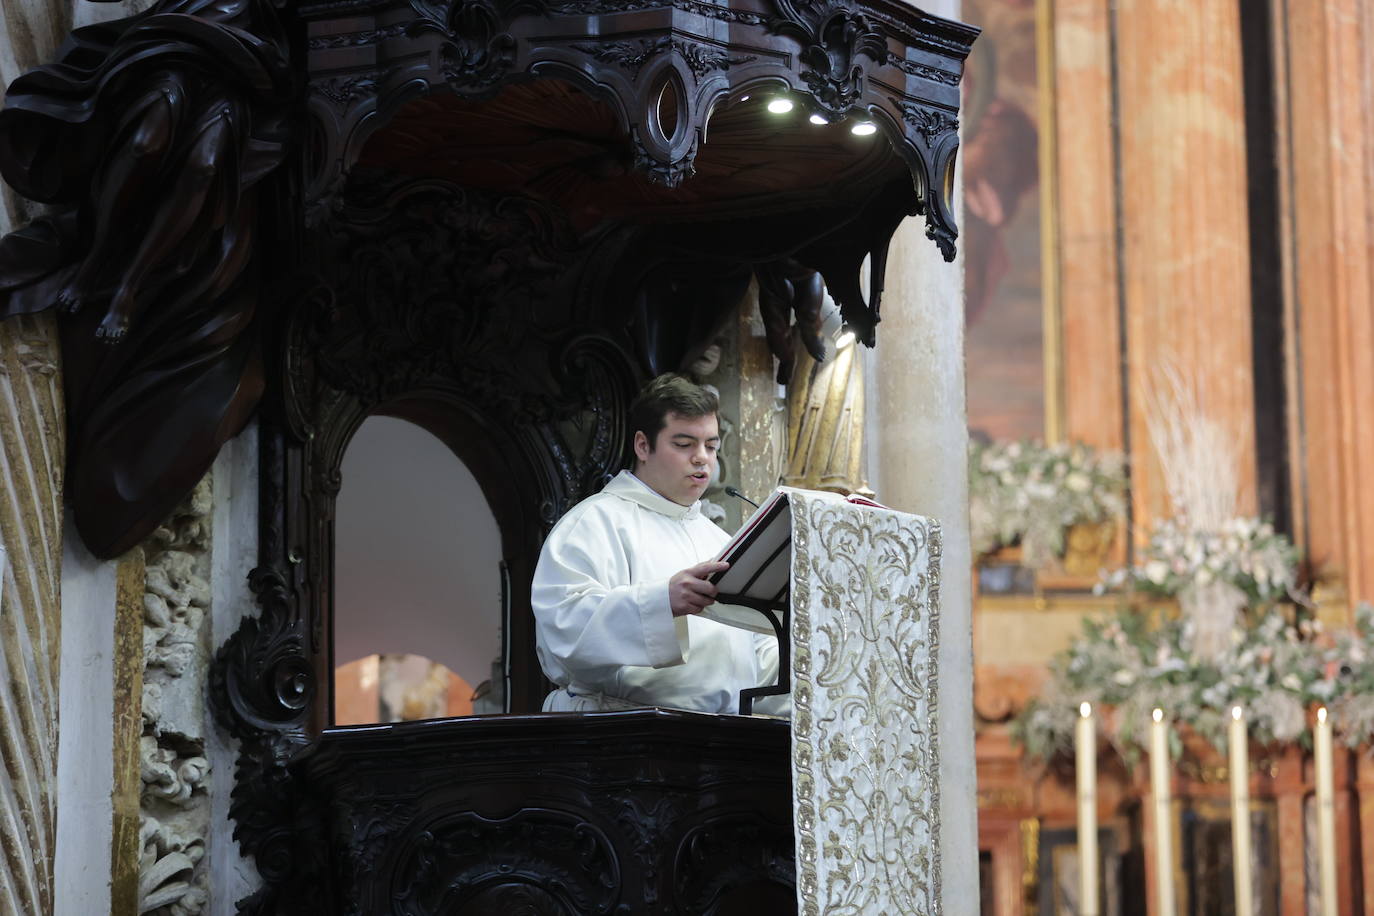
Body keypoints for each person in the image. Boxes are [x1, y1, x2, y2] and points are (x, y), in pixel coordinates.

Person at [532, 374, 784, 714]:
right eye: (684, 444)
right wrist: (660, 602)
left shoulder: (721, 541)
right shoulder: (593, 523)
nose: (702, 459)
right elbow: (562, 628)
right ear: (642, 445)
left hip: (727, 739)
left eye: (711, 446)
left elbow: (756, 654)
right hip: (624, 733)